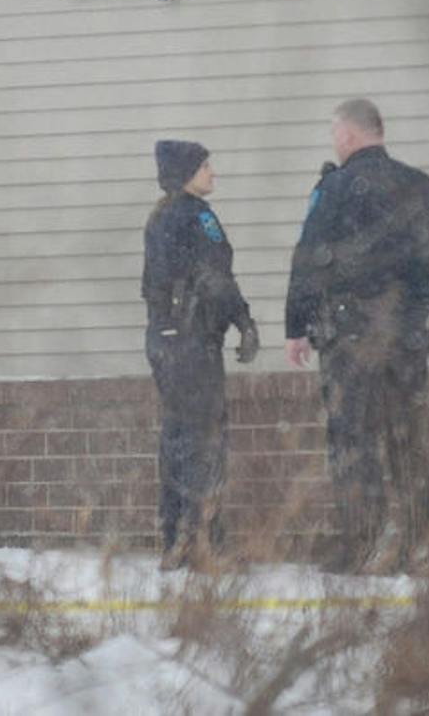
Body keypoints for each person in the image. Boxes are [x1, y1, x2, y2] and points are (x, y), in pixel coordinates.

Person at [284, 99, 429, 573]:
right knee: (407, 433)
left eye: (335, 133)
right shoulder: (421, 187)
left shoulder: (336, 189)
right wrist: (413, 319)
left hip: (349, 336)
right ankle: (421, 539)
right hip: (407, 339)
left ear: (348, 135)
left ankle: (362, 540)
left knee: (352, 438)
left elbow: (310, 258)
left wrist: (297, 326)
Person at [142, 139, 260, 568]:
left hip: (164, 339)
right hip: (194, 340)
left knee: (176, 436)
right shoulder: (198, 216)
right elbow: (217, 278)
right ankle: (203, 540)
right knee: (204, 439)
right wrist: (243, 321)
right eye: (205, 166)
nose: (212, 173)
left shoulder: (158, 218)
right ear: (186, 173)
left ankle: (173, 535)